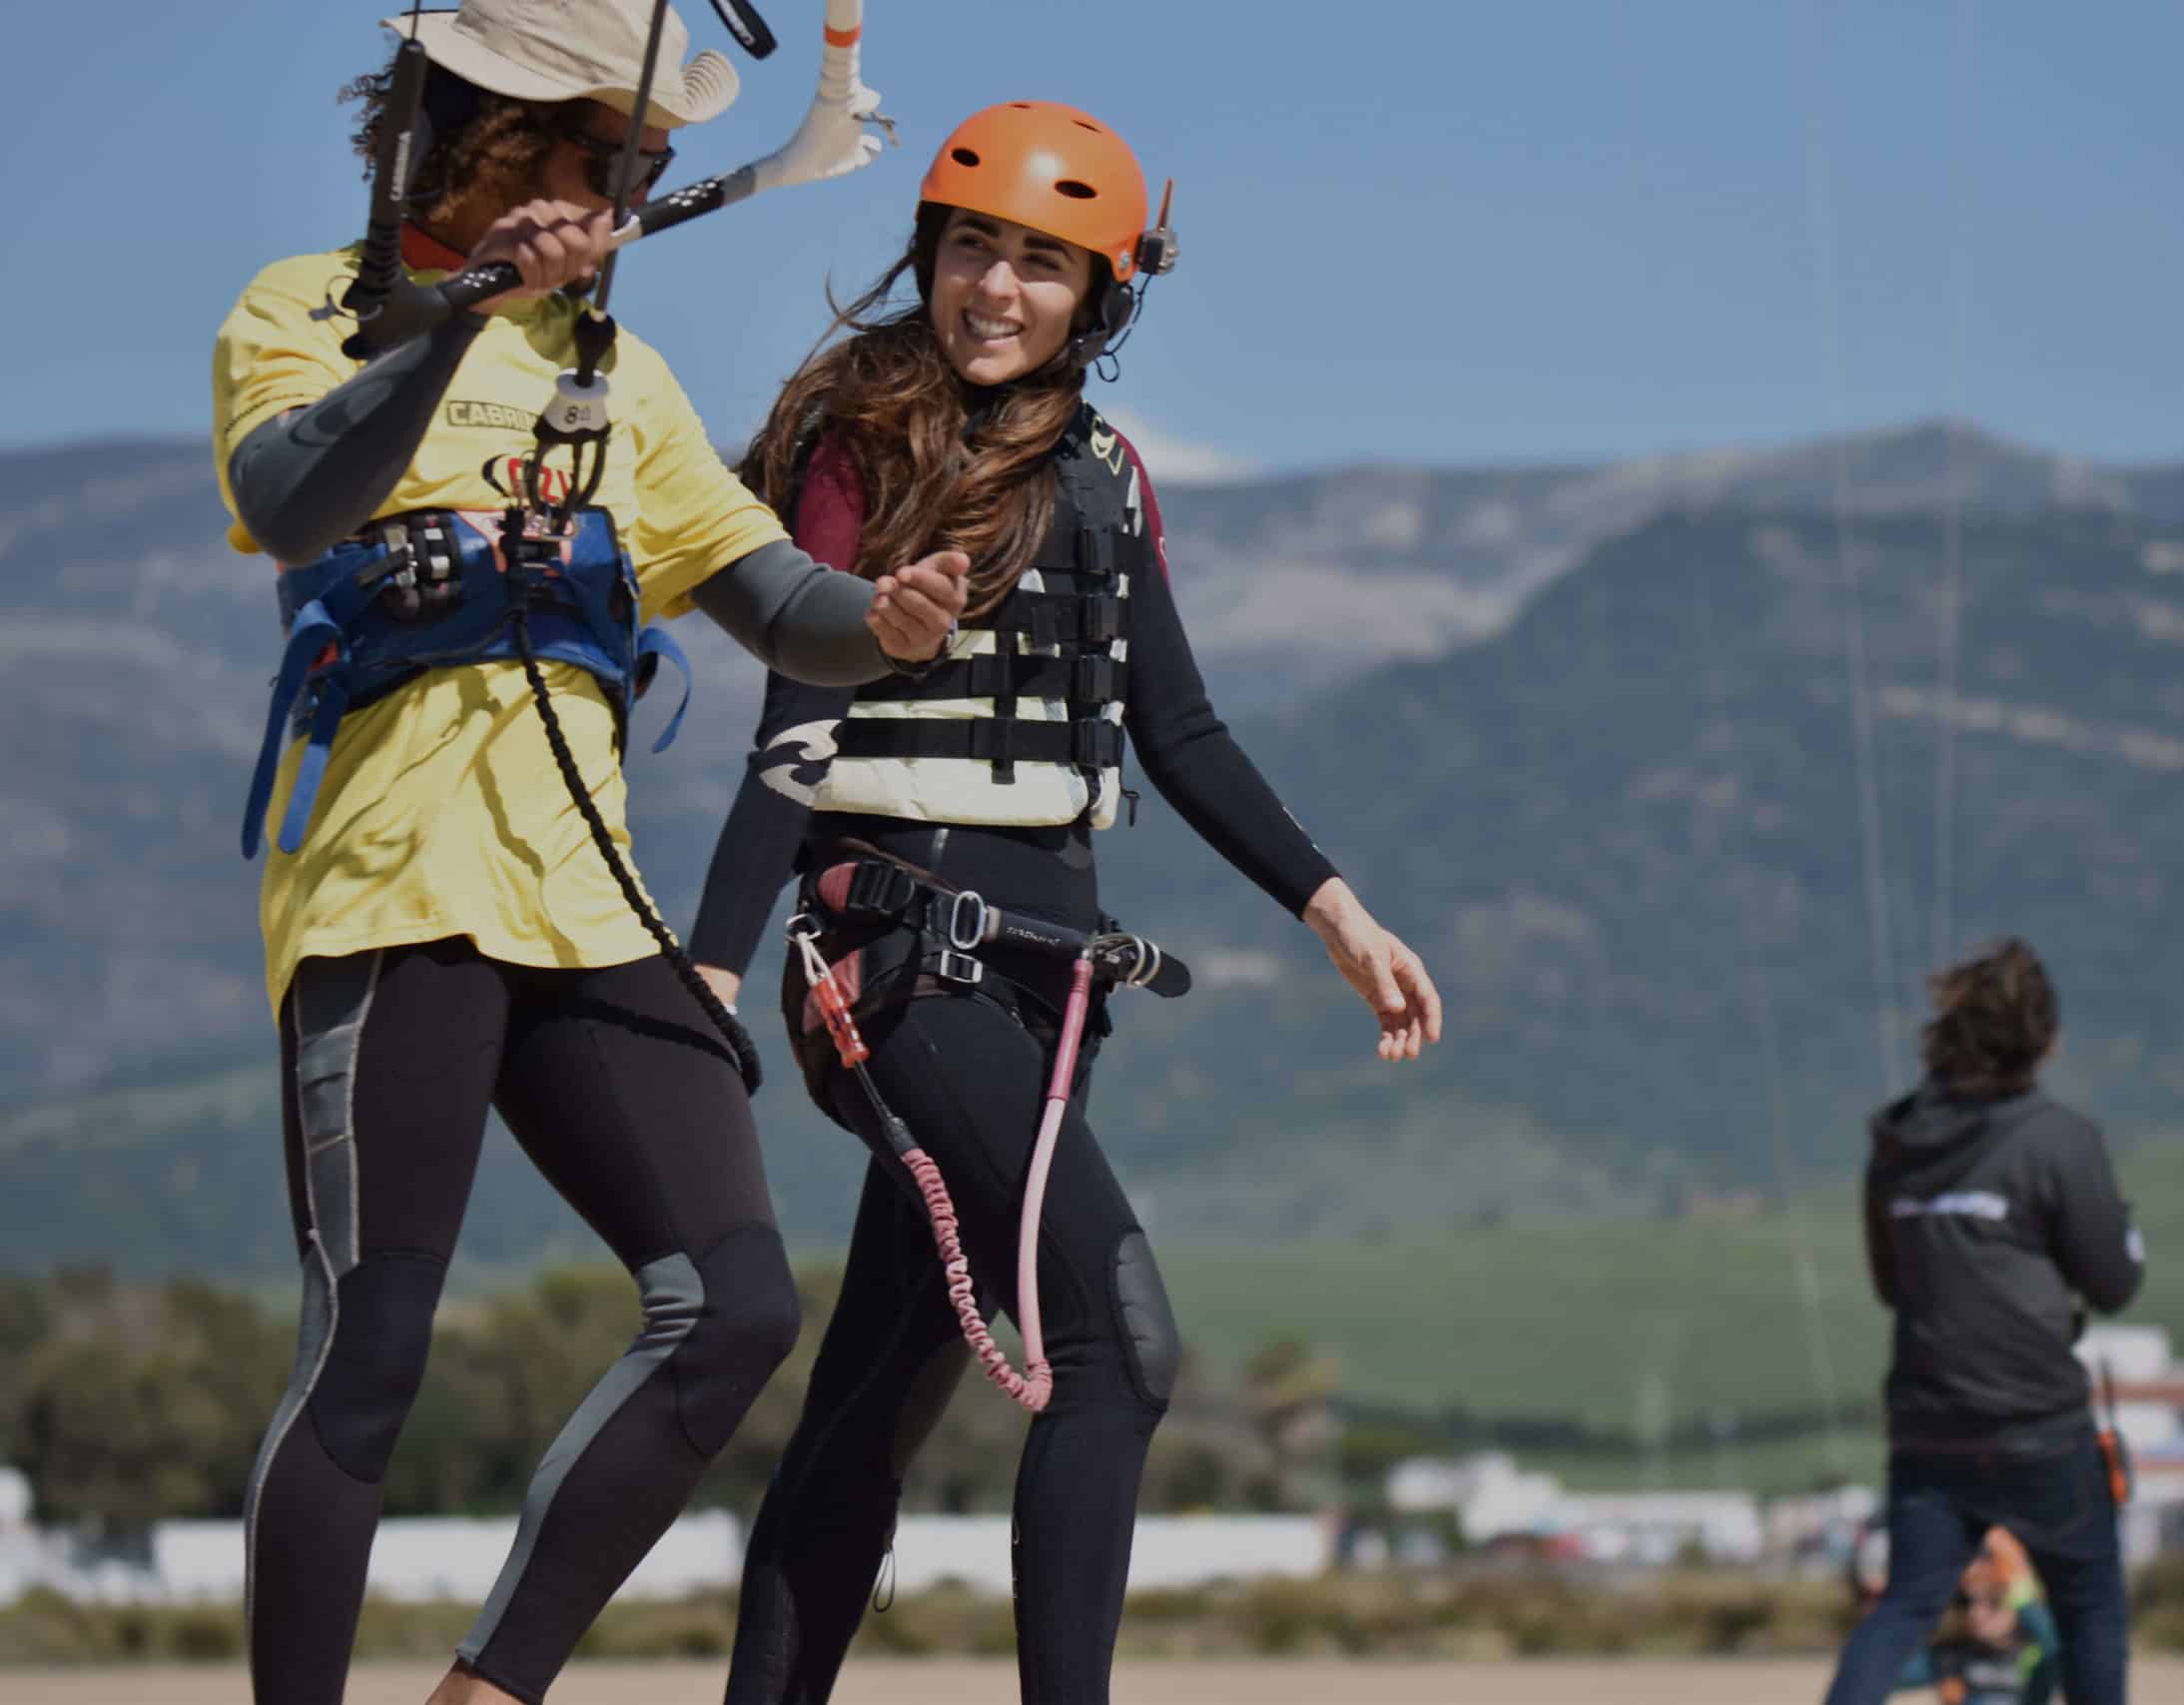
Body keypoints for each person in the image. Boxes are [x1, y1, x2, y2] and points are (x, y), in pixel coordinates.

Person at [214, 3, 959, 1701]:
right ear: (491, 138)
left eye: (649, 163)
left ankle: (488, 1693)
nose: (642, 184)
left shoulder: (624, 377)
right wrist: (463, 307)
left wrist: (887, 621)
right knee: (372, 1352)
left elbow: (783, 604)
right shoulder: (304, 312)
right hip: (394, 899)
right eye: (615, 156)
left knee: (737, 1306)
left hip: (584, 907)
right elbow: (295, 500)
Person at [687, 100, 1443, 1703]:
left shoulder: (1108, 473)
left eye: (1039, 262)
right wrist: (708, 963)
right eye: (973, 248)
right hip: (897, 954)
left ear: (1098, 294)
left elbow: (1179, 730)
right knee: (1116, 1345)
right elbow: (794, 732)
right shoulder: (858, 441)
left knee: (872, 1401)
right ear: (929, 254)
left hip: (1050, 983)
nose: (995, 288)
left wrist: (1336, 910)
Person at [1821, 938, 2145, 1705]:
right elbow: (2114, 1281)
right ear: (2044, 1038)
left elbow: (1890, 1282)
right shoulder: (2059, 1139)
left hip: (1929, 1422)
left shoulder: (1895, 1140)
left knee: (1904, 1607)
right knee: (2091, 1604)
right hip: (2037, 1419)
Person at [1892, 1546, 2063, 1705]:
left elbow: (2054, 1645)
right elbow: (1885, 1672)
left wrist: (2020, 1590)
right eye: (1967, 1603)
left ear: (2016, 1610)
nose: (1976, 1613)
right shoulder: (1951, 1656)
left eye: (1993, 1603)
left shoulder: (2036, 1656)